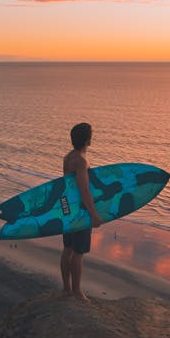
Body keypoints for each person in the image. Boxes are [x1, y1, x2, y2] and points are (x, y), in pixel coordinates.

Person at [61, 122, 102, 300]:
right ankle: (77, 291)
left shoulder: (68, 156)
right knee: (78, 253)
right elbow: (84, 189)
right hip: (79, 211)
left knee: (67, 249)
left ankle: (67, 288)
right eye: (91, 135)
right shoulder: (81, 160)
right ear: (87, 139)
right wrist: (93, 214)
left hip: (67, 209)